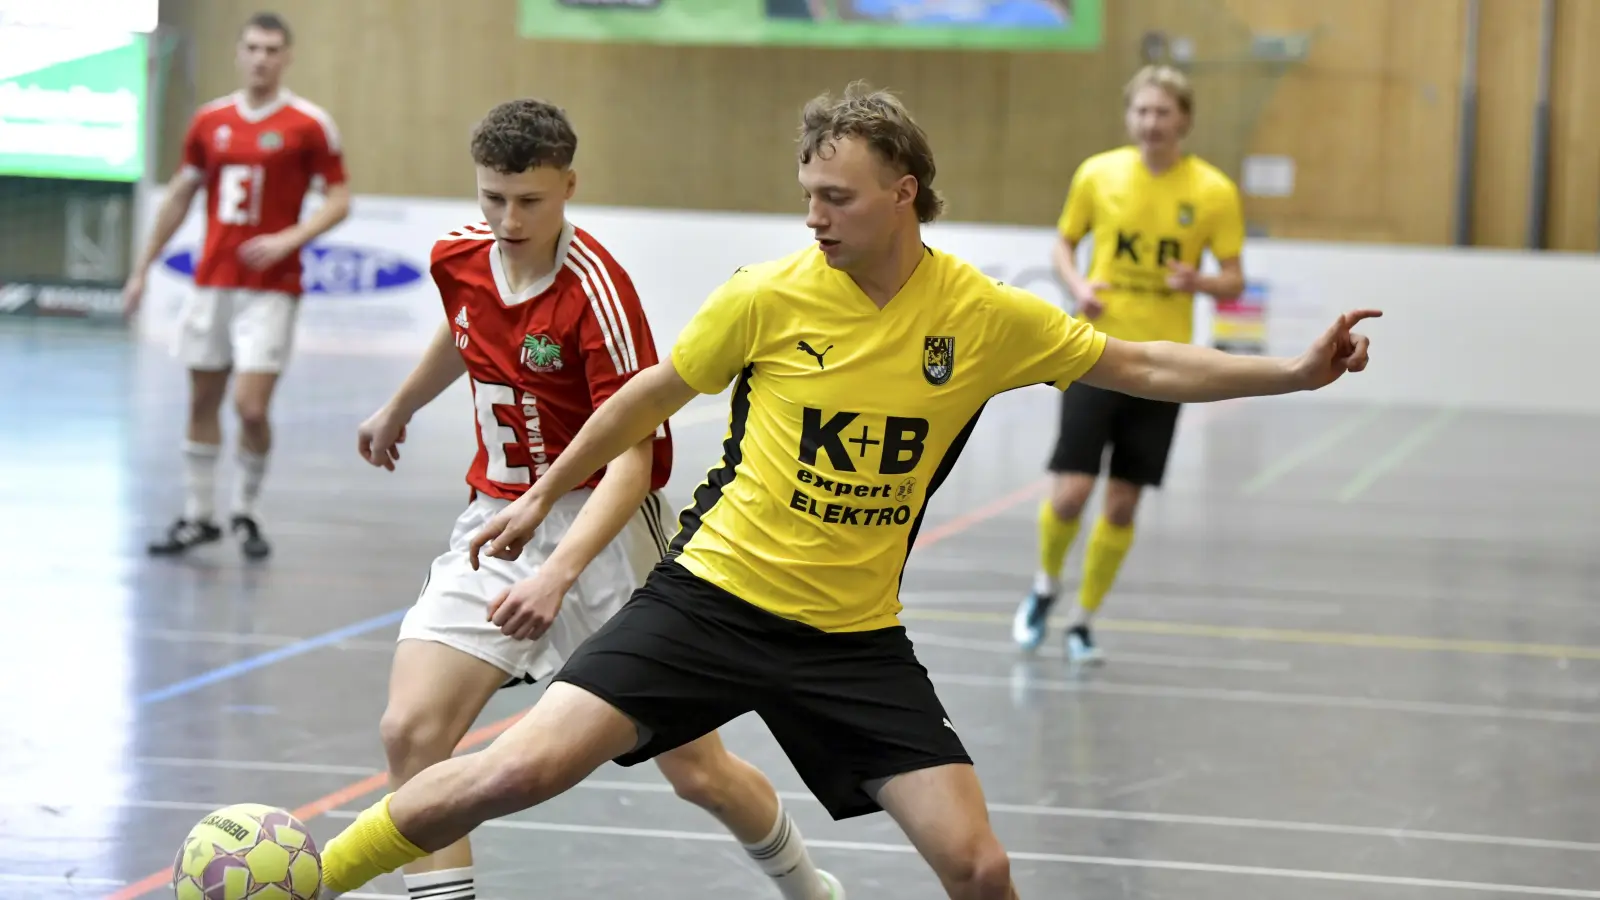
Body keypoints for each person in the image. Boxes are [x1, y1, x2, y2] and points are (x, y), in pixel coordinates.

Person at [308, 82, 1376, 900]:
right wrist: (543, 497)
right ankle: (307, 880)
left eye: (836, 197)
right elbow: (648, 398)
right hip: (710, 601)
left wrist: (1293, 371)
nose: (813, 215)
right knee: (513, 772)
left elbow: (1140, 363)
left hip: (852, 637)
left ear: (903, 193)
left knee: (978, 867)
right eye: (807, 195)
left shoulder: (982, 316)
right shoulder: (767, 296)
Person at [352, 98, 843, 900]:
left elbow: (633, 458)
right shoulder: (459, 257)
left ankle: (808, 890)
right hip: (495, 522)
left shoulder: (596, 292)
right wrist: (399, 406)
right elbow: (464, 326)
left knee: (697, 770)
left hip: (606, 535)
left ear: (569, 186)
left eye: (530, 201)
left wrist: (559, 575)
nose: (510, 220)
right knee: (411, 731)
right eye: (493, 198)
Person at [1014, 64, 1247, 663]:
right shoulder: (1098, 173)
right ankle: (1045, 586)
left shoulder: (1213, 190)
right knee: (1071, 492)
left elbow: (1234, 279)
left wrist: (1200, 281)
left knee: (1121, 502)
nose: (1151, 122)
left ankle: (1083, 620)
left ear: (1184, 120)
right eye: (1142, 111)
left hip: (1164, 367)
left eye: (1163, 112)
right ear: (1128, 117)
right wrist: (1077, 286)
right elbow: (1064, 242)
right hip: (1096, 351)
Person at [124, 11, 350, 561]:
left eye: (271, 50)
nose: (261, 59)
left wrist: (290, 238)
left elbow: (340, 199)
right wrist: (142, 268)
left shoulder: (309, 124)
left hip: (271, 289)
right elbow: (181, 196)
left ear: (287, 57)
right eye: (252, 48)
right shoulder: (210, 121)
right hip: (213, 283)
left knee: (250, 407)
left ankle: (246, 509)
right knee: (202, 399)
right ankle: (199, 516)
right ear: (238, 53)